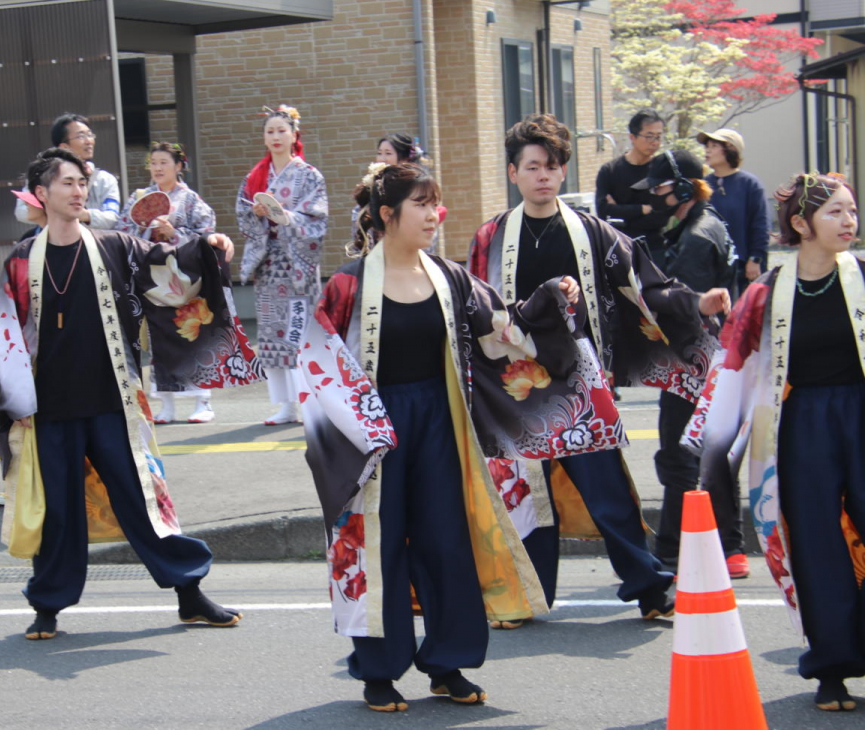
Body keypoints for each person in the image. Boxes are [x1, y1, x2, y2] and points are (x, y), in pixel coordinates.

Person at [301, 163, 619, 712]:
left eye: (436, 203)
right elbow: (318, 363)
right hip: (371, 429)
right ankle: (378, 669)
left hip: (441, 423)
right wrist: (360, 426)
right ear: (386, 215)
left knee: (445, 541)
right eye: (421, 204)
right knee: (376, 545)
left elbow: (503, 330)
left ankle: (447, 662)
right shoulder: (348, 284)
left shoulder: (448, 277)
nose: (433, 215)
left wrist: (547, 301)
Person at [469, 115, 730, 624]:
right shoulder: (491, 236)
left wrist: (696, 306)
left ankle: (650, 587)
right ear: (513, 173)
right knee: (526, 495)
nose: (543, 176)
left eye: (551, 166)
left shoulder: (593, 231)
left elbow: (646, 288)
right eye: (532, 167)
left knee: (607, 488)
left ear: (563, 173)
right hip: (515, 381)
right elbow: (473, 305)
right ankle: (526, 594)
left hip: (580, 381)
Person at [0, 148, 262, 641]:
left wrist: (207, 247)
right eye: (67, 183)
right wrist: (15, 406)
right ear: (41, 194)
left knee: (143, 499)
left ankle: (189, 593)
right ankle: (48, 604)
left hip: (110, 398)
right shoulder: (19, 261)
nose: (78, 192)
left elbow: (170, 273)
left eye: (81, 183)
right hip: (49, 407)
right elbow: (9, 337)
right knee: (57, 508)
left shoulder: (113, 245)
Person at [687, 172, 863, 712]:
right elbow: (734, 365)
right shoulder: (766, 293)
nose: (849, 221)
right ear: (800, 224)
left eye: (851, 211)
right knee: (814, 543)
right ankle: (831, 666)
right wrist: (712, 449)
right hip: (801, 422)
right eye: (835, 212)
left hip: (860, 412)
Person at [629, 150, 738, 576]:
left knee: (679, 458)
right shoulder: (703, 224)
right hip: (710, 359)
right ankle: (726, 546)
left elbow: (681, 306)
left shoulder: (695, 237)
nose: (654, 196)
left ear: (681, 188)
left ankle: (672, 553)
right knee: (712, 452)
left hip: (691, 361)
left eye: (659, 188)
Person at [235, 104, 327, 425]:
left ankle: (311, 401)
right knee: (273, 333)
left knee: (300, 331)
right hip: (269, 262)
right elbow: (243, 213)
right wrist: (257, 215)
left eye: (281, 130)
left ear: (294, 135)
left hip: (297, 262)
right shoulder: (256, 175)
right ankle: (286, 405)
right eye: (269, 131)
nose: (275, 136)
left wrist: (287, 217)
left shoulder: (309, 175)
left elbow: (317, 217)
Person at [119, 142, 218, 424]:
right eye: (154, 162)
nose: (158, 167)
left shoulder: (190, 200)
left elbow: (206, 233)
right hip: (151, 279)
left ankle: (203, 401)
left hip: (184, 279)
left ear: (178, 166)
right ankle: (167, 403)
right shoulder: (139, 197)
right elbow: (121, 230)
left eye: (164, 162)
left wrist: (174, 233)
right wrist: (143, 228)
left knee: (192, 335)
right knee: (158, 339)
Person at [699, 128, 769, 300]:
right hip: (712, 266)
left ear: (730, 150)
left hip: (743, 266)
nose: (708, 150)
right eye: (707, 146)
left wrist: (756, 259)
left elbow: (760, 225)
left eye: (714, 146)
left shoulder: (750, 184)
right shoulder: (704, 185)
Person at [595, 110, 669, 263]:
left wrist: (621, 214)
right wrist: (641, 209)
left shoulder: (661, 171)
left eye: (658, 136)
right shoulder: (610, 170)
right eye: (649, 136)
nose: (655, 142)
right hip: (619, 248)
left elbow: (660, 218)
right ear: (632, 137)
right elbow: (603, 212)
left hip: (654, 250)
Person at [52, 112, 122, 228]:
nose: (89, 141)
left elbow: (112, 217)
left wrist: (81, 214)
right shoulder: (47, 177)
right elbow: (23, 211)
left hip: (95, 244)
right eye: (80, 136)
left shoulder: (105, 180)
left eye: (90, 135)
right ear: (64, 147)